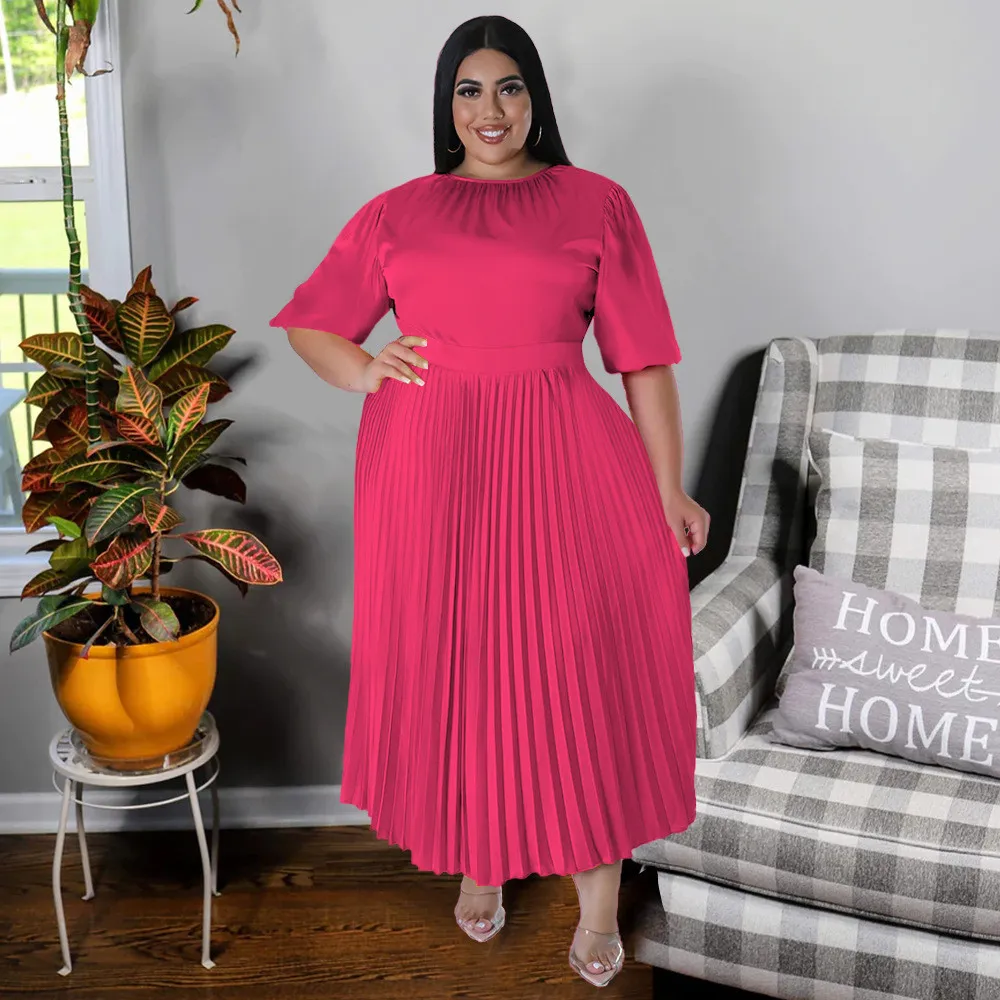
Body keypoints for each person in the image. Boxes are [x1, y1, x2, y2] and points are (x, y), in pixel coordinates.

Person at [270, 14, 709, 989]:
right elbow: (312, 324)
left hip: (564, 454)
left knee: (578, 671)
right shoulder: (398, 212)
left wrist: (668, 485)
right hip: (429, 464)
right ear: (447, 105)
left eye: (508, 86)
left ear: (535, 96)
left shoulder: (597, 202)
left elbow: (642, 360)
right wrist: (364, 367)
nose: (490, 109)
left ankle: (599, 903)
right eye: (468, 90)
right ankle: (482, 855)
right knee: (461, 660)